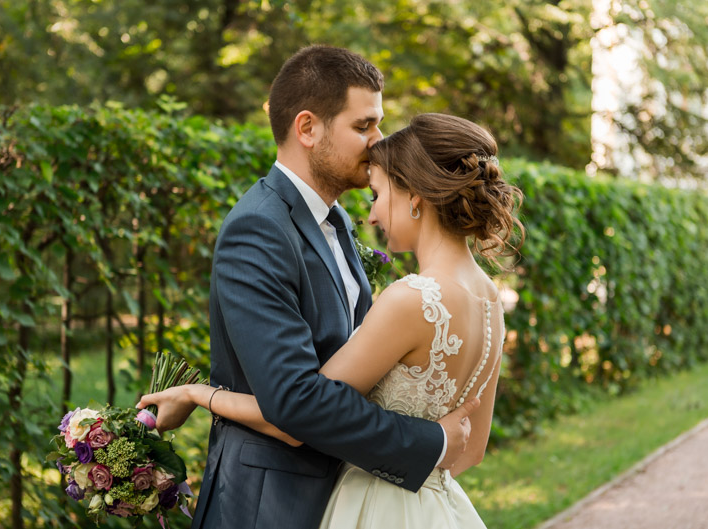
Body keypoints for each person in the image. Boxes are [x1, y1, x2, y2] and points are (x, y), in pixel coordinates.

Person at [137, 47, 479, 529]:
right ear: (307, 128)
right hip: (270, 504)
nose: (379, 142)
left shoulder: (338, 220)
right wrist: (432, 443)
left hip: (345, 493)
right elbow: (295, 398)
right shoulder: (257, 228)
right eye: (364, 127)